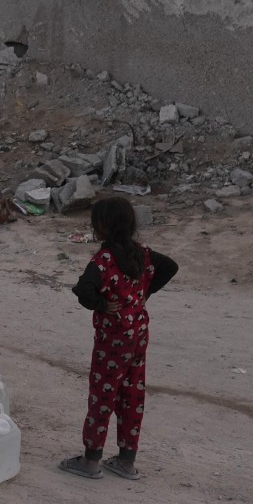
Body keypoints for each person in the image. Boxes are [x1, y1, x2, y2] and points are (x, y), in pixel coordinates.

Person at [60, 195, 177, 480]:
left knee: (102, 397)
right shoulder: (142, 254)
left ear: (103, 227)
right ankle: (126, 460)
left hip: (111, 341)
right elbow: (170, 267)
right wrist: (141, 296)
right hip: (138, 334)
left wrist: (102, 304)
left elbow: (83, 291)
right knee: (132, 395)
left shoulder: (103, 261)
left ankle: (90, 461)